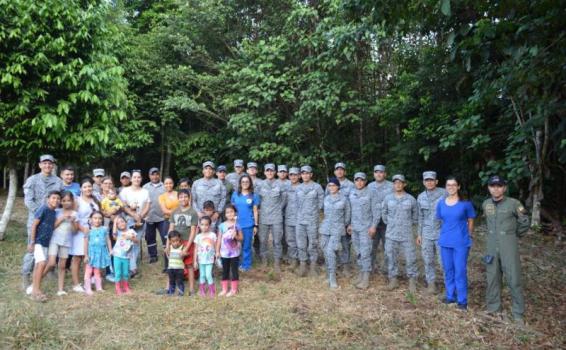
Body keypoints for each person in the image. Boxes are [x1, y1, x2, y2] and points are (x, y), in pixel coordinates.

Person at [482, 175, 529, 324]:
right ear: (489, 188)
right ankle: (493, 309)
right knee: (492, 278)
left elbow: (524, 222)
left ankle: (518, 314)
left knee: (513, 278)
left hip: (508, 245)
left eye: (499, 186)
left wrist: (512, 235)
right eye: (493, 186)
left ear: (504, 188)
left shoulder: (513, 203)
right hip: (491, 246)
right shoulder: (486, 204)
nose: (496, 189)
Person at [22, 154, 63, 290]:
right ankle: (26, 275)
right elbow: (28, 200)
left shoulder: (58, 181)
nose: (47, 166)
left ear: (53, 165)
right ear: (40, 165)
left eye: (50, 163)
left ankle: (49, 271)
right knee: (32, 247)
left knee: (49, 245)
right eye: (44, 163)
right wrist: (41, 212)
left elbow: (60, 199)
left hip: (51, 220)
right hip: (36, 219)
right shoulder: (32, 180)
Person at [436, 176, 476, 310]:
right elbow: (442, 220)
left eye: (454, 185)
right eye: (448, 185)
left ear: (458, 187)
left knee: (460, 271)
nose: (451, 187)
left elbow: (471, 220)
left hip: (461, 242)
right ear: (445, 187)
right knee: (448, 270)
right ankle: (450, 296)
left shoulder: (465, 204)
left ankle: (462, 300)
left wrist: (469, 234)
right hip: (445, 241)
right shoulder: (441, 203)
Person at [382, 174, 419, 292]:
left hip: (406, 234)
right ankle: (393, 279)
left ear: (404, 184)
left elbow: (415, 216)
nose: (397, 185)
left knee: (410, 257)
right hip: (391, 234)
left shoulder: (411, 199)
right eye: (395, 183)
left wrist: (405, 224)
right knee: (390, 256)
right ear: (393, 184)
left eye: (400, 183)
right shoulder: (388, 198)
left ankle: (412, 281)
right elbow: (384, 214)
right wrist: (392, 223)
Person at [26, 190, 61, 301]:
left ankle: (34, 288)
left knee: (39, 265)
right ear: (48, 199)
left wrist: (62, 219)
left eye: (58, 198)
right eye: (53, 198)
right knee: (41, 263)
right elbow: (34, 225)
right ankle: (36, 291)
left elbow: (52, 227)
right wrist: (32, 242)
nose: (56, 200)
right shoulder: (43, 209)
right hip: (38, 241)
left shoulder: (54, 212)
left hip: (46, 242)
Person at [416, 171, 447, 295]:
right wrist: (419, 234)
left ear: (436, 181)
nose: (429, 182)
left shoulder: (444, 194)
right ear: (424, 182)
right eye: (427, 180)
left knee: (444, 261)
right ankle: (431, 285)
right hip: (426, 233)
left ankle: (448, 286)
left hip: (442, 232)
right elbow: (420, 217)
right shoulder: (421, 197)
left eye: (431, 180)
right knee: (428, 260)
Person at [348, 172, 379, 289]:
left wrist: (373, 226)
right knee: (358, 252)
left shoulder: (371, 193)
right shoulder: (352, 192)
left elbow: (376, 212)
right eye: (357, 180)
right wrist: (350, 224)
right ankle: (361, 274)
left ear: (365, 181)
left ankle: (366, 278)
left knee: (366, 253)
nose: (359, 182)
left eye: (362, 180)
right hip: (355, 227)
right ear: (354, 181)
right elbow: (351, 210)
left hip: (366, 228)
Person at [44, 191, 78, 296]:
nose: (66, 203)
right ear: (60, 202)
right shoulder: (57, 211)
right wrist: (62, 218)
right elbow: (52, 227)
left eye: (69, 200)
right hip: (54, 240)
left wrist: (72, 221)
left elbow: (75, 231)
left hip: (66, 241)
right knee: (51, 263)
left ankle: (60, 289)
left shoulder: (75, 214)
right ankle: (35, 283)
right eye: (64, 200)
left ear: (72, 201)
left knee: (62, 266)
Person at [321, 178, 351, 289]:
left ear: (338, 187)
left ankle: (333, 278)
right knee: (325, 250)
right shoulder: (326, 199)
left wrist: (342, 225)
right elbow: (324, 213)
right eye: (329, 186)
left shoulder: (344, 199)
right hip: (325, 228)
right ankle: (328, 275)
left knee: (330, 251)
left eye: (334, 185)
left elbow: (347, 216)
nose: (332, 187)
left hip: (337, 228)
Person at [257, 163, 287, 274]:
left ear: (275, 172)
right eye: (267, 171)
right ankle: (264, 261)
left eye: (271, 171)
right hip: (264, 217)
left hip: (276, 217)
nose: (269, 172)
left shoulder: (280, 184)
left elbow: (284, 199)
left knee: (277, 240)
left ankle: (277, 262)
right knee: (263, 240)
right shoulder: (260, 184)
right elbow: (257, 199)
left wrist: (279, 209)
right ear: (264, 172)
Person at [71, 178, 100, 293]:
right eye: (85, 187)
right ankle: (76, 283)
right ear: (81, 189)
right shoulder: (77, 201)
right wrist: (82, 229)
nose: (88, 189)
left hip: (93, 231)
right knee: (78, 257)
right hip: (80, 231)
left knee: (89, 256)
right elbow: (74, 217)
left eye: (89, 186)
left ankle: (87, 280)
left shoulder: (95, 199)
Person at [119, 170, 150, 277]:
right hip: (127, 220)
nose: (136, 179)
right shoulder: (125, 191)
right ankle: (126, 266)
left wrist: (140, 216)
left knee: (136, 242)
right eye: (134, 177)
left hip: (141, 220)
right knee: (127, 242)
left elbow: (147, 205)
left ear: (141, 179)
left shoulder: (145, 191)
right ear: (131, 179)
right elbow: (123, 205)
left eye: (138, 177)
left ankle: (132, 268)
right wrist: (133, 214)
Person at [295, 165, 324, 277]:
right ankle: (303, 265)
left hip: (312, 220)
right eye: (303, 173)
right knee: (301, 243)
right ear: (301, 175)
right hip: (300, 220)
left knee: (313, 243)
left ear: (311, 174)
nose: (305, 175)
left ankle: (313, 265)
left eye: (307, 173)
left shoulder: (317, 187)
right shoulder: (298, 188)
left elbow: (321, 202)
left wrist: (314, 211)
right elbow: (296, 203)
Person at [168, 189, 198, 294]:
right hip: (175, 243)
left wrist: (187, 247)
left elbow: (193, 231)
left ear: (189, 198)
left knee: (189, 266)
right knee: (173, 265)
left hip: (187, 242)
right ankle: (169, 287)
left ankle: (191, 289)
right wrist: (168, 245)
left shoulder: (193, 212)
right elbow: (171, 229)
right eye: (181, 197)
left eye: (185, 196)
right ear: (178, 198)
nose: (183, 199)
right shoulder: (174, 212)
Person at [327, 162, 355, 277]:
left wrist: (350, 223)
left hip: (345, 220)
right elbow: (326, 200)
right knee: (332, 243)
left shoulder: (351, 185)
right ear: (334, 171)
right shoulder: (330, 184)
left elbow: (353, 205)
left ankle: (345, 266)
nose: (339, 171)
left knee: (345, 244)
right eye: (337, 169)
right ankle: (335, 264)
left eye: (341, 169)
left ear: (345, 171)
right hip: (333, 221)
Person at [230, 174, 260, 271]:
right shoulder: (235, 194)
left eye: (247, 182)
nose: (245, 183)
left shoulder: (254, 196)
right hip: (236, 224)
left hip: (248, 224)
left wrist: (255, 225)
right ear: (240, 183)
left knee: (246, 246)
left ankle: (246, 265)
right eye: (243, 182)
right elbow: (232, 210)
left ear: (250, 183)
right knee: (236, 245)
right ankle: (236, 263)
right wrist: (231, 222)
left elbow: (255, 211)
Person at [368, 164, 393, 274]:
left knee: (388, 248)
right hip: (373, 223)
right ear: (374, 174)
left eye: (381, 172)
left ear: (385, 174)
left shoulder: (392, 186)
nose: (378, 174)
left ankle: (387, 270)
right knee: (371, 247)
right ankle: (370, 268)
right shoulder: (369, 186)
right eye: (376, 172)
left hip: (387, 223)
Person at [83, 211, 112, 296]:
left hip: (101, 252)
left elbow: (108, 240)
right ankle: (87, 287)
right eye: (95, 218)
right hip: (91, 253)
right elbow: (85, 243)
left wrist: (110, 250)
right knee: (88, 270)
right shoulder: (88, 230)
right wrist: (86, 255)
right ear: (90, 219)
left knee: (97, 270)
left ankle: (98, 287)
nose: (97, 220)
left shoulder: (104, 229)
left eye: (100, 218)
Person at [217, 204, 243, 296]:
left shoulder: (237, 225)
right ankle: (224, 289)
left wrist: (235, 236)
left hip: (234, 253)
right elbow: (219, 239)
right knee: (225, 270)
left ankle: (234, 289)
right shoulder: (222, 226)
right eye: (227, 212)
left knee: (234, 270)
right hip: (224, 253)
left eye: (231, 211)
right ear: (225, 214)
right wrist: (217, 251)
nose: (230, 213)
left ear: (235, 213)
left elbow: (241, 238)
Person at [143, 167, 167, 264]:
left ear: (159, 175)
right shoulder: (145, 187)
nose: (155, 176)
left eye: (156, 174)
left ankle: (167, 254)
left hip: (162, 217)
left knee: (165, 236)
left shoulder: (165, 186)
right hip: (149, 217)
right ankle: (153, 255)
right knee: (150, 237)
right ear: (149, 176)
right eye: (152, 174)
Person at [112, 215, 137, 295]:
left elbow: (137, 241)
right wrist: (114, 223)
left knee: (126, 272)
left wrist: (131, 237)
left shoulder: (131, 231)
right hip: (117, 255)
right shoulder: (118, 233)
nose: (121, 224)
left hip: (126, 256)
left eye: (122, 221)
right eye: (118, 223)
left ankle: (126, 286)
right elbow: (114, 235)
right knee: (118, 272)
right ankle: (118, 288)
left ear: (126, 222)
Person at [158, 177, 179, 271]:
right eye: (166, 183)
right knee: (166, 242)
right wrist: (177, 211)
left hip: (179, 221)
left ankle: (179, 265)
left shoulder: (178, 194)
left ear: (173, 184)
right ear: (164, 185)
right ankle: (167, 266)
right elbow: (164, 210)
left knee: (178, 242)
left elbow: (183, 207)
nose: (168, 185)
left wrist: (172, 211)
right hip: (167, 221)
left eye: (170, 183)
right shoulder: (162, 196)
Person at [194, 216, 218, 297]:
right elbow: (196, 249)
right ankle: (202, 290)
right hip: (201, 260)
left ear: (210, 226)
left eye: (206, 225)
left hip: (209, 259)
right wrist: (195, 261)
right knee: (202, 275)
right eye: (202, 224)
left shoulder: (213, 235)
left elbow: (215, 246)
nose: (204, 226)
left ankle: (212, 290)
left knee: (208, 275)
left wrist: (217, 255)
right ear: (199, 225)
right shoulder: (198, 236)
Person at [283, 167, 300, 268]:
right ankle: (293, 260)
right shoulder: (286, 188)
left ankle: (302, 259)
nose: (293, 177)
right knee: (290, 240)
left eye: (295, 175)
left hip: (300, 218)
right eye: (291, 175)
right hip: (288, 218)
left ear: (299, 176)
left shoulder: (303, 187)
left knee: (301, 240)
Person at [166, 231, 186, 296]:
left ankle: (181, 291)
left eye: (177, 240)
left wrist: (184, 254)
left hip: (180, 268)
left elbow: (186, 253)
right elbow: (167, 253)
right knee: (171, 280)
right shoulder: (170, 247)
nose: (175, 243)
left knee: (179, 281)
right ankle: (171, 291)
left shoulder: (182, 247)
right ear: (170, 241)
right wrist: (167, 250)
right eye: (173, 241)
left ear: (179, 239)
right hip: (171, 268)